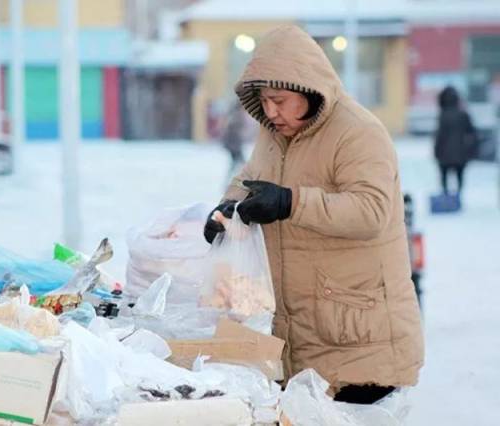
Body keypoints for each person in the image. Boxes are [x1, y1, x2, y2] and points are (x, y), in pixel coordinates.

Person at [203, 25, 424, 404]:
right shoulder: (274, 133)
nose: (271, 112)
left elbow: (371, 210)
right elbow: (249, 179)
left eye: (280, 100)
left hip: (360, 346)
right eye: (264, 101)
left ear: (308, 89)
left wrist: (290, 202)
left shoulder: (358, 133)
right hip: (301, 342)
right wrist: (229, 208)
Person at [434, 86, 476, 195]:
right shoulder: (463, 114)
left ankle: (446, 196)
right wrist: (470, 149)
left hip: (444, 154)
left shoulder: (443, 115)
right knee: (459, 176)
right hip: (460, 153)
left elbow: (439, 136)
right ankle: (458, 196)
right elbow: (472, 132)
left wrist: (436, 151)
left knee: (444, 176)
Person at [220, 101, 248, 182]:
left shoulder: (234, 114)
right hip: (234, 145)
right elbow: (232, 131)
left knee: (238, 164)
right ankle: (232, 181)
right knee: (242, 164)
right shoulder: (236, 115)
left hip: (234, 145)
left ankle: (230, 181)